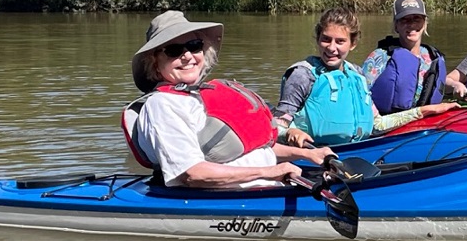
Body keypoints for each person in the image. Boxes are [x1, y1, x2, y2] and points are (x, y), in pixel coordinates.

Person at [121, 10, 335, 189]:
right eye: (174, 51)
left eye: (194, 45)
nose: (187, 56)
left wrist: (307, 154)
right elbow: (193, 174)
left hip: (271, 183)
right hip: (227, 197)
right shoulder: (162, 105)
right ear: (155, 63)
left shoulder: (197, 96)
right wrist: (270, 172)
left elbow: (255, 149)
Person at [276, 7, 458, 146]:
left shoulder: (357, 75)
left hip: (356, 154)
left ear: (353, 43)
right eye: (326, 39)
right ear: (317, 39)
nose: (331, 48)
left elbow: (377, 124)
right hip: (312, 159)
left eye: (340, 41)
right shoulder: (302, 75)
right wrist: (290, 133)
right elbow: (276, 127)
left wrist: (423, 111)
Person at [361, 0, 449, 114]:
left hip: (425, 124)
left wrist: (455, 85)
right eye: (404, 20)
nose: (411, 25)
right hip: (388, 123)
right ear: (396, 25)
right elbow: (361, 94)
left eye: (417, 19)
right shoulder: (379, 57)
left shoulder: (432, 56)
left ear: (424, 23)